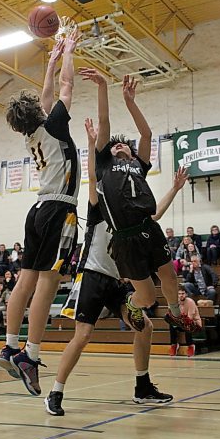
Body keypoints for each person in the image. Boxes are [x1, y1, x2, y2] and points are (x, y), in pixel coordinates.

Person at [44, 117, 187, 416]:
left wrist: (173, 189)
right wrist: (91, 141)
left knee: (144, 326)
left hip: (120, 278)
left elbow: (154, 215)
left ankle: (142, 387)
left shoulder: (131, 202)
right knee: (83, 335)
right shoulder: (100, 200)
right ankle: (55, 392)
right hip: (94, 274)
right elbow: (94, 175)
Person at [78, 68, 198, 335]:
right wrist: (102, 87)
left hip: (148, 228)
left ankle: (176, 315)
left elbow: (146, 134)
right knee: (146, 298)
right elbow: (104, 121)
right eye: (114, 146)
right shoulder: (105, 168)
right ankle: (132, 304)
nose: (119, 146)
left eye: (124, 146)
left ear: (132, 153)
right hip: (124, 238)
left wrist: (131, 102)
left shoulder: (138, 166)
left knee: (170, 277)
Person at [0, 30, 81, 396]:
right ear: (40, 114)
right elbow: (65, 86)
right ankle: (29, 355)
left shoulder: (34, 132)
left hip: (37, 209)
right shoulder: (54, 126)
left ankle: (10, 345)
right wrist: (69, 54)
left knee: (25, 280)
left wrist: (49, 60)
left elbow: (47, 96)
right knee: (48, 281)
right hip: (59, 209)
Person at [169, 286, 202, 358]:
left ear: (186, 294)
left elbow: (190, 317)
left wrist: (182, 322)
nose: (181, 295)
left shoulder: (190, 302)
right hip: (182, 322)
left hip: (194, 323)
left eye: (183, 293)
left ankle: (191, 346)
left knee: (188, 325)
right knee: (171, 325)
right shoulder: (176, 302)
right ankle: (174, 345)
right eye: (179, 294)